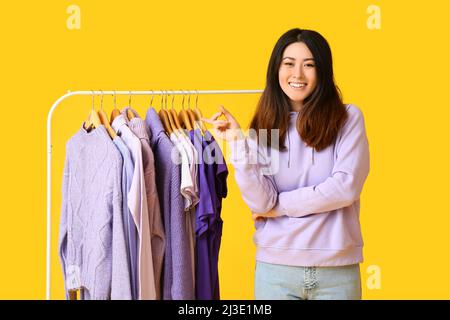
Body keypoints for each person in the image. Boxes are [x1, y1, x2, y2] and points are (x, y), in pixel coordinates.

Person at [202, 28, 370, 300]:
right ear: (276, 70)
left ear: (323, 72)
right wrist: (236, 142)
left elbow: (345, 188)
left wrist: (279, 207)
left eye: (309, 65)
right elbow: (260, 203)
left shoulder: (348, 119)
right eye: (289, 64)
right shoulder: (262, 128)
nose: (298, 75)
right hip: (276, 272)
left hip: (337, 270)